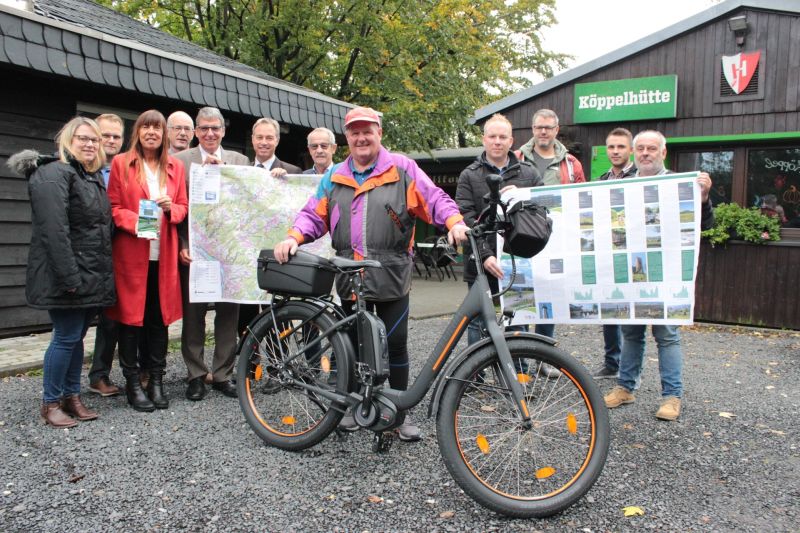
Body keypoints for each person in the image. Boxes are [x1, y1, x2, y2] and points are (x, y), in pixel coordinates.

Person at [274, 106, 469, 441]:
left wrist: (455, 222)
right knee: (350, 344)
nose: (361, 137)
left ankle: (398, 413)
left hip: (391, 271)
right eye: (354, 132)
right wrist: (294, 237)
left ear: (379, 134)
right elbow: (313, 214)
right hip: (349, 273)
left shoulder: (402, 168)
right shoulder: (333, 175)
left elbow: (433, 198)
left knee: (395, 344)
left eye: (368, 131)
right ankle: (351, 407)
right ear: (346, 138)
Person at [9, 117, 115, 427]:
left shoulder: (87, 176)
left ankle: (72, 396)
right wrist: (70, 278)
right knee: (65, 337)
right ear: (67, 141)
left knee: (76, 337)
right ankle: (50, 402)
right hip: (67, 275)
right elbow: (54, 231)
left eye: (94, 140)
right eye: (82, 138)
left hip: (87, 274)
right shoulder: (53, 174)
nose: (89, 144)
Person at [604, 130, 714, 421]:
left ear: (663, 153)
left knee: (666, 334)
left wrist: (702, 198)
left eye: (651, 148)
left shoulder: (679, 184)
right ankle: (626, 388)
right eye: (640, 148)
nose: (645, 153)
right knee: (631, 333)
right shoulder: (621, 186)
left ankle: (671, 397)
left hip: (666, 274)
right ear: (633, 152)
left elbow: (703, 225)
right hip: (632, 273)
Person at [106, 109, 188, 412]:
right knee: (130, 320)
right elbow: (113, 207)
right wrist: (137, 219)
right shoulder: (121, 163)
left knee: (158, 319)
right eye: (146, 127)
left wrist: (171, 208)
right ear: (137, 132)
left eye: (157, 127)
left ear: (164, 134)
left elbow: (183, 207)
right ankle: (131, 382)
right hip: (131, 253)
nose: (152, 132)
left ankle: (156, 380)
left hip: (163, 254)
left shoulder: (175, 167)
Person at [174, 107, 249, 401]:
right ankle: (195, 374)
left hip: (227, 252)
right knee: (194, 315)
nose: (209, 133)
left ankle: (222, 374)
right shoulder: (180, 162)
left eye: (214, 128)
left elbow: (249, 202)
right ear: (195, 132)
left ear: (223, 131)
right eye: (203, 128)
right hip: (194, 252)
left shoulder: (239, 161)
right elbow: (178, 208)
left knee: (228, 315)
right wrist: (182, 242)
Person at [455, 113, 543, 346]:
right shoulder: (469, 175)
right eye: (492, 136)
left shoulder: (529, 174)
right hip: (480, 261)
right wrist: (485, 255)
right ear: (484, 140)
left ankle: (520, 373)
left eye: (502, 137)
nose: (497, 141)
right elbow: (465, 218)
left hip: (518, 258)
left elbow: (543, 212)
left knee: (518, 316)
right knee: (478, 320)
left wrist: (522, 197)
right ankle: (475, 376)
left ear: (511, 141)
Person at [517, 109, 587, 344]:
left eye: (548, 127)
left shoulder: (571, 163)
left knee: (549, 298)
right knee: (521, 296)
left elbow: (581, 197)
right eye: (538, 127)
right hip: (521, 234)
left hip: (554, 240)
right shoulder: (516, 158)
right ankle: (520, 361)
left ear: (556, 130)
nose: (543, 132)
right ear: (533, 129)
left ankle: (542, 357)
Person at [86, 113, 127, 397]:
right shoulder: (84, 168)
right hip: (89, 255)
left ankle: (110, 374)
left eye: (116, 136)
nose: (111, 140)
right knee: (79, 324)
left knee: (116, 318)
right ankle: (79, 383)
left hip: (121, 252)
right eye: (106, 135)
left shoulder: (125, 168)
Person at [593, 127, 637, 380]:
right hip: (608, 254)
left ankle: (630, 371)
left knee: (631, 316)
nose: (616, 151)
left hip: (632, 254)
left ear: (630, 149)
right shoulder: (601, 180)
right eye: (611, 147)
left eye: (621, 146)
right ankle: (612, 362)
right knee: (609, 309)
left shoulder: (641, 176)